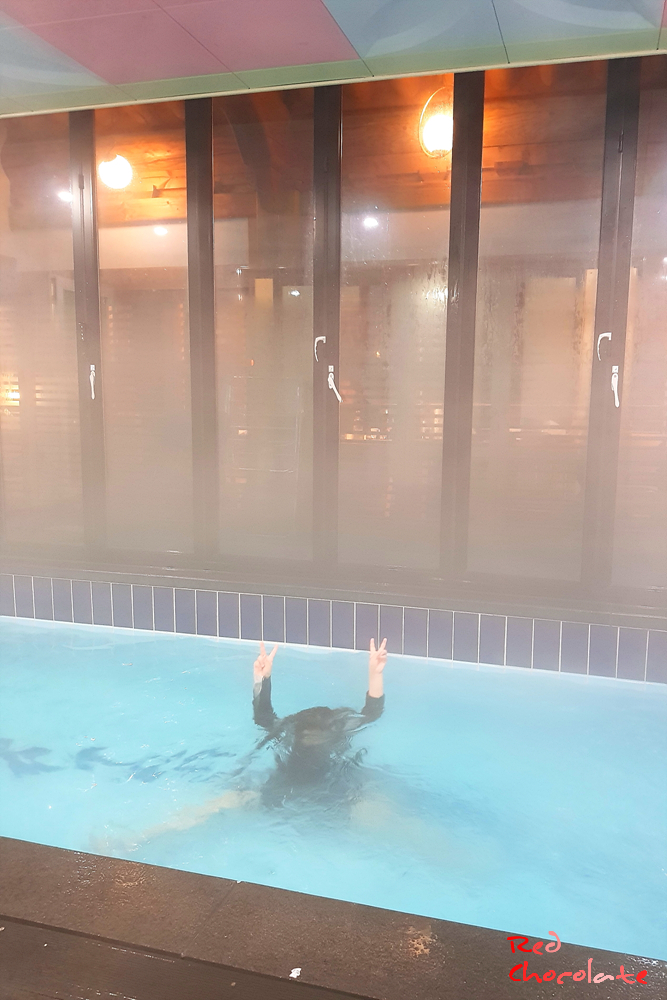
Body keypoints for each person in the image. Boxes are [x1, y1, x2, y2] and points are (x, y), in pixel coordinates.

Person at [251, 637, 387, 807]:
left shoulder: (289, 729)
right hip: (331, 784)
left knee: (247, 797)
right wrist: (375, 673)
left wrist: (262, 679)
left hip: (289, 784)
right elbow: (372, 713)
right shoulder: (339, 727)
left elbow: (263, 717)